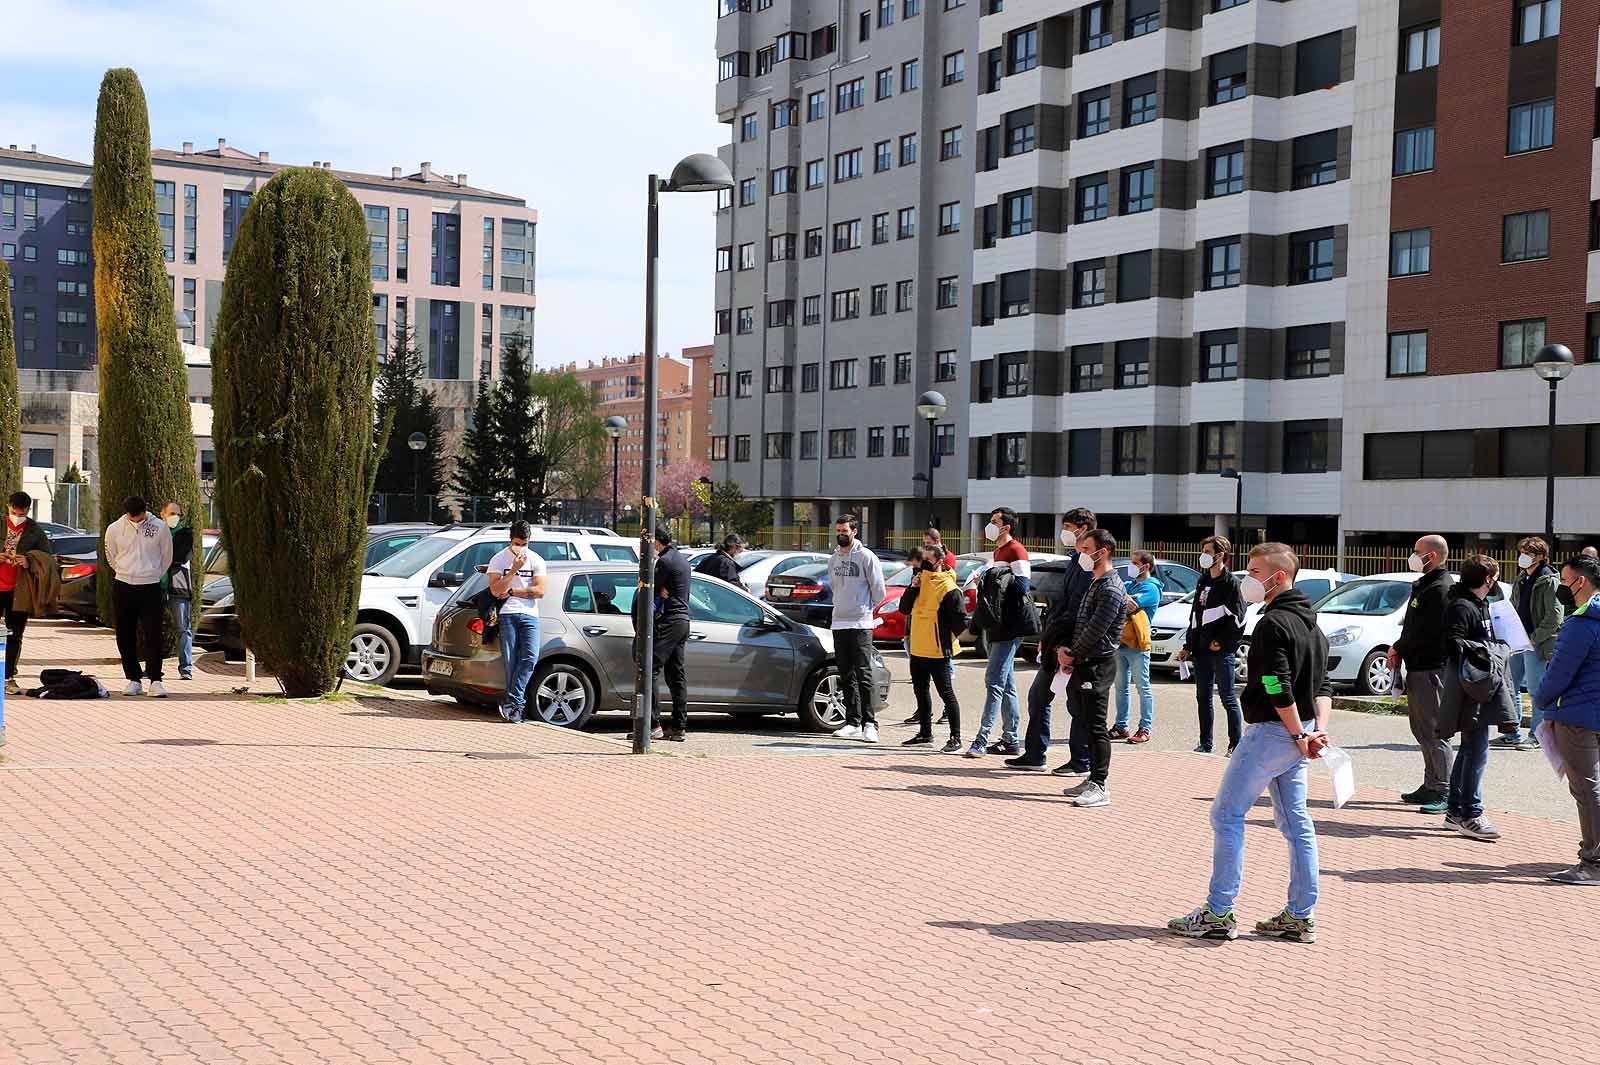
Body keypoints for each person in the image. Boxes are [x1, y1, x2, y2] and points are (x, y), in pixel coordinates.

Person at [1169, 543, 1332, 944]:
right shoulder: (1312, 624)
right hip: (1300, 731)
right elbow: (1322, 686)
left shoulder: (1273, 623)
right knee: (1297, 823)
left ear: (1279, 577)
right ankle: (1300, 915)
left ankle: (1219, 912)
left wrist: (1298, 733)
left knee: (1226, 815)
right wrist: (1314, 731)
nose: (1248, 578)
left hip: (1274, 732)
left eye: (1256, 571)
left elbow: (1276, 683)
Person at [1007, 508, 1097, 773]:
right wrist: (1049, 638)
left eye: (1069, 526)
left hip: (1073, 645)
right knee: (1038, 697)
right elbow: (1064, 602)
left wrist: (1067, 645)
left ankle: (1081, 761)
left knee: (1076, 704)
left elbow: (1080, 607)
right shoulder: (1074, 560)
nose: (1065, 532)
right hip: (1057, 640)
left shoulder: (1089, 564)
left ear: (1083, 528)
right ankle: (1035, 755)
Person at [1434, 554, 1517, 836]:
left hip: (1481, 683)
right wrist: (1490, 649)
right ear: (1488, 579)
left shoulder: (1482, 604)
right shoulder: (1461, 606)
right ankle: (1471, 813)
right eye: (1493, 576)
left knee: (1471, 749)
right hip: (1471, 686)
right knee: (1476, 751)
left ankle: (1455, 811)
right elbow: (1453, 643)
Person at [1534, 554, 1600, 885]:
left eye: (1564, 579)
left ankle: (1593, 862)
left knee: (1587, 790)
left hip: (1578, 716)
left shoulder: (1581, 623)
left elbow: (1558, 674)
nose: (1561, 585)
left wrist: (1541, 700)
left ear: (1580, 582)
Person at [1058, 529, 1131, 808]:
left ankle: (1100, 784)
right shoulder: (1095, 583)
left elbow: (1095, 631)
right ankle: (1091, 777)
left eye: (1087, 548)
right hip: (1083, 663)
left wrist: (1073, 655)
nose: (1082, 554)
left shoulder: (1111, 588)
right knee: (1086, 721)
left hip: (1097, 664)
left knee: (1097, 726)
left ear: (1104, 552)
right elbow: (1080, 624)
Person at [1390, 534, 1455, 808]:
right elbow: (1413, 627)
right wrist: (1399, 647)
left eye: (1418, 551)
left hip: (1431, 669)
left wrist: (1400, 647)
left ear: (1434, 556)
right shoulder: (1426, 585)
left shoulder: (1441, 588)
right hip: (1417, 667)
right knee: (1421, 730)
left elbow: (1428, 632)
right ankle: (1431, 783)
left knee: (1434, 731)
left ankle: (1443, 788)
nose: (1413, 556)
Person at [967, 507, 1030, 757]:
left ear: (1006, 527)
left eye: (994, 522)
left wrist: (993, 578)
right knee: (1005, 685)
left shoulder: (1016, 549)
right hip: (997, 624)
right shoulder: (998, 551)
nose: (989, 526)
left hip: (1010, 626)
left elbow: (1022, 586)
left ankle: (981, 739)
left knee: (993, 681)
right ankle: (1011, 739)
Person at [1179, 536, 1244, 755]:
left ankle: (1235, 744)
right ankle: (1205, 743)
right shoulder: (1203, 580)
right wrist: (1189, 645)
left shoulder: (1231, 583)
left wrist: (1222, 641)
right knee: (1203, 698)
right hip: (1199, 649)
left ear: (1220, 555)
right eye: (1203, 550)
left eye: (1208, 551)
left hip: (1221, 652)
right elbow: (1195, 616)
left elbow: (1239, 619)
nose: (1204, 555)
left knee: (1227, 698)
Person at [104, 496, 173, 698]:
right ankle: (133, 679)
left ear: (145, 511)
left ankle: (156, 680)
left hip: (150, 585)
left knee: (153, 634)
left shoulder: (159, 527)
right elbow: (111, 556)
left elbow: (166, 556)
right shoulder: (114, 528)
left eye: (139, 516)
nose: (135, 520)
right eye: (131, 516)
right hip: (123, 585)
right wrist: (125, 571)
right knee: (125, 634)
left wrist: (152, 573)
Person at [1499, 537, 1564, 751]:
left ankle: (1537, 736)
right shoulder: (1522, 578)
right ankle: (1511, 733)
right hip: (1518, 639)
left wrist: (1535, 637)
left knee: (1536, 690)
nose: (1523, 556)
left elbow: (1554, 616)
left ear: (1541, 557)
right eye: (1522, 551)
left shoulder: (1548, 579)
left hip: (1536, 642)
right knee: (1510, 685)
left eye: (1529, 553)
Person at [898, 548, 965, 753]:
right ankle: (925, 733)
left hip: (937, 650)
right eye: (921, 559)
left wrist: (943, 636)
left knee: (946, 693)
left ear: (939, 561)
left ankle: (956, 738)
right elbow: (904, 609)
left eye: (927, 560)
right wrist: (912, 587)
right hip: (918, 648)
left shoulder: (948, 586)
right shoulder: (919, 581)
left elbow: (960, 621)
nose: (922, 563)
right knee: (921, 691)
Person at [829, 514, 886, 743]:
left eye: (845, 531)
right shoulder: (833, 558)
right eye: (838, 531)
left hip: (861, 622)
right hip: (839, 621)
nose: (841, 534)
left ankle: (870, 724)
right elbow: (834, 586)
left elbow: (879, 590)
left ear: (854, 531)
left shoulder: (866, 557)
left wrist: (863, 607)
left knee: (864, 673)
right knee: (846, 674)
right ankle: (852, 721)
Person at [488, 520, 548, 724]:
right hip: (507, 614)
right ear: (510, 540)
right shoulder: (498, 560)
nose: (521, 547)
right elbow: (495, 590)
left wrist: (513, 591)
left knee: (530, 657)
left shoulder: (537, 560)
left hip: (530, 614)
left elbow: (539, 591)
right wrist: (513, 570)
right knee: (511, 660)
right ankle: (515, 707)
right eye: (517, 543)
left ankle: (513, 702)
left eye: (524, 543)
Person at [0, 492, 53, 695]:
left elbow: (47, 558)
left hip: (19, 590)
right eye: (14, 512)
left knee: (15, 634)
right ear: (8, 506)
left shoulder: (35, 532)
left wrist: (29, 560)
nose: (17, 516)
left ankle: (8, 677)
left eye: (22, 513)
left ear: (28, 510)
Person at [645, 528, 692, 740]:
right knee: (676, 674)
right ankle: (679, 726)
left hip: (670, 620)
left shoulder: (664, 561)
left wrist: (657, 588)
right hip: (683, 620)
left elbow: (651, 589)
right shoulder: (682, 559)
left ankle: (653, 724)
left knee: (650, 668)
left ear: (656, 542)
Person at [1112, 550, 1162, 744]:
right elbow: (1117, 599)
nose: (1131, 567)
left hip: (1138, 644)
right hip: (1121, 641)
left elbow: (1125, 603)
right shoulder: (1130, 584)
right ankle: (1121, 726)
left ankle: (1145, 728)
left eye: (1135, 563)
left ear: (1146, 566)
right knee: (1120, 687)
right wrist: (1125, 598)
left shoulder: (1151, 588)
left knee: (1143, 687)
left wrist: (1125, 599)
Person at [160, 501, 196, 681]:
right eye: (172, 513)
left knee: (183, 628)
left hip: (179, 587)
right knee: (152, 628)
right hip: (156, 586)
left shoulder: (185, 534)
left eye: (178, 514)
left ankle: (186, 668)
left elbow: (181, 557)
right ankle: (154, 667)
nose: (175, 517)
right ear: (162, 514)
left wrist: (163, 556)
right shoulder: (157, 533)